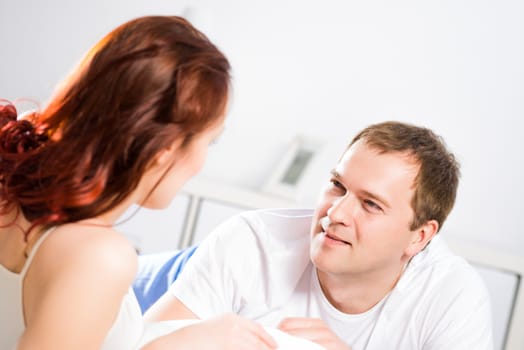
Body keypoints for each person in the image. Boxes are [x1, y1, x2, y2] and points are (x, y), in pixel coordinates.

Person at [0, 16, 277, 350]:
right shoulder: (99, 255)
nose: (202, 161)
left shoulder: (12, 184)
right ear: (166, 149)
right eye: (210, 141)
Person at [145, 121, 494, 350]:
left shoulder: (452, 294)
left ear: (419, 237)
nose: (336, 213)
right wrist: (203, 337)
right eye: (336, 185)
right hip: (165, 280)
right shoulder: (251, 242)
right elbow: (139, 344)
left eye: (370, 204)